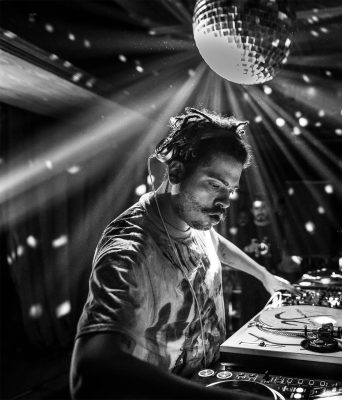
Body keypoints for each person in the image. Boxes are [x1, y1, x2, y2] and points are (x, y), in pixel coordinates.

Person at [70, 107, 294, 399]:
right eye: (215, 184)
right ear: (176, 171)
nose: (225, 201)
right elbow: (89, 372)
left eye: (230, 189)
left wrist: (264, 276)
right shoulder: (130, 250)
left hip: (208, 380)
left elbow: (217, 245)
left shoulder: (192, 218)